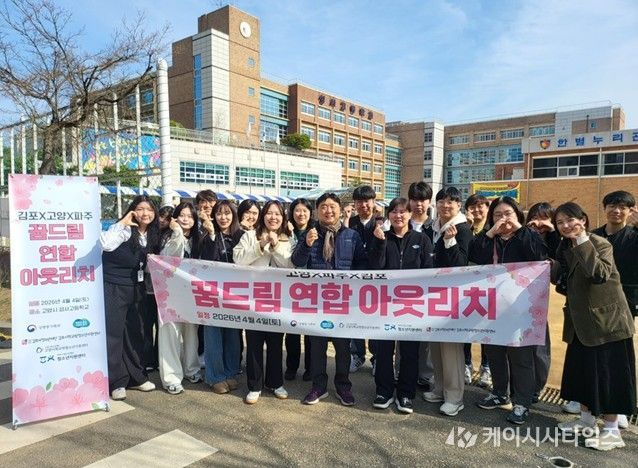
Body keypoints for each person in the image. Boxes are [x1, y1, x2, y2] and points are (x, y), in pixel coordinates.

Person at [552, 202, 635, 451]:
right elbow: (563, 280)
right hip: (581, 324)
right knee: (583, 374)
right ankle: (586, 421)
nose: (566, 226)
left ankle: (611, 431)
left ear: (583, 220)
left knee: (609, 377)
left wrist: (581, 240)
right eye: (560, 222)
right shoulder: (565, 247)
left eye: (570, 220)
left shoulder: (600, 244)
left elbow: (598, 274)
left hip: (606, 324)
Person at [469, 196, 548, 425]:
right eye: (497, 215)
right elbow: (473, 255)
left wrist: (520, 230)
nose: (503, 219)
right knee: (494, 352)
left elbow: (540, 256)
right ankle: (499, 393)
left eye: (507, 214)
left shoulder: (528, 235)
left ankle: (522, 402)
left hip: (522, 308)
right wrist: (490, 233)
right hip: (493, 307)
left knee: (521, 356)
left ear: (517, 215)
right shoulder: (488, 238)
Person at [292, 192, 366, 406]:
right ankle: (318, 386)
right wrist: (306, 244)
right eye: (323, 206)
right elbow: (297, 261)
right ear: (317, 211)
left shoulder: (351, 235)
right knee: (317, 346)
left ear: (340, 210)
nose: (328, 210)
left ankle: (343, 386)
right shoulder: (310, 233)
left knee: (343, 347)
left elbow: (362, 264)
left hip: (343, 301)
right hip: (316, 301)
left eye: (332, 206)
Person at [369, 197, 434, 414]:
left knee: (410, 352)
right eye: (394, 211)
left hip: (412, 306)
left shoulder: (422, 239)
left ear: (410, 214)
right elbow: (375, 269)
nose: (399, 215)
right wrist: (379, 243)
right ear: (388, 215)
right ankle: (383, 391)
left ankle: (406, 394)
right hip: (384, 305)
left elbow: (429, 269)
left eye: (403, 211)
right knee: (384, 350)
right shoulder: (381, 237)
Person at [233, 200, 295, 404]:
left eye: (277, 214)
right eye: (269, 213)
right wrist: (260, 245)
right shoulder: (250, 236)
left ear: (283, 218)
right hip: (254, 298)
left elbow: (291, 266)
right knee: (254, 342)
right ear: (263, 215)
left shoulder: (287, 239)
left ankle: (275, 382)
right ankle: (254, 385)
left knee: (276, 342)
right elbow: (238, 259)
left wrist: (276, 245)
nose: (273, 217)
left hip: (277, 300)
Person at [100, 195, 160, 401]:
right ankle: (116, 382)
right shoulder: (123, 230)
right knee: (114, 334)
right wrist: (122, 223)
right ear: (132, 210)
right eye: (141, 209)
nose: (145, 213)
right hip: (114, 286)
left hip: (137, 288)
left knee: (136, 332)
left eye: (149, 209)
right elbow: (106, 245)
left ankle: (137, 377)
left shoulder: (152, 234)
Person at [422, 187, 471, 417]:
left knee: (451, 349)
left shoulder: (463, 229)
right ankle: (440, 388)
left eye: (450, 202)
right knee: (436, 347)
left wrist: (450, 242)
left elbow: (461, 264)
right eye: (441, 201)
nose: (445, 205)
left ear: (459, 205)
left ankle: (454, 397)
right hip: (433, 295)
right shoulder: (432, 227)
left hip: (453, 297)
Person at [591, 190, 638, 430]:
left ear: (630, 211)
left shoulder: (634, 236)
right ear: (604, 208)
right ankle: (590, 402)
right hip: (594, 303)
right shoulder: (593, 236)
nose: (616, 211)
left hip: (624, 304)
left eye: (622, 207)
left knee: (619, 358)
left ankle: (619, 408)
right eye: (612, 205)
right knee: (593, 354)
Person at [157, 202, 205, 395]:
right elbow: (171, 257)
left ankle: (191, 369)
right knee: (170, 334)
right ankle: (171, 377)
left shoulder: (197, 239)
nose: (186, 219)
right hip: (169, 293)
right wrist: (176, 232)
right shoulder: (166, 237)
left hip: (191, 294)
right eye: (182, 215)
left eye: (190, 216)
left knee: (191, 333)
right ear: (175, 217)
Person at [200, 200, 245, 394]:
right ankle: (214, 376)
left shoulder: (241, 235)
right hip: (211, 294)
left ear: (234, 215)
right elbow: (205, 261)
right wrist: (211, 234)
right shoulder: (206, 235)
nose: (223, 217)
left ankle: (230, 372)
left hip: (234, 294)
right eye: (219, 213)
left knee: (232, 336)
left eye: (227, 213)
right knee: (213, 336)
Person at [525, 202, 559, 405]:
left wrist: (552, 231)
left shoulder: (555, 239)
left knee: (538, 344)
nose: (539, 222)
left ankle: (537, 386)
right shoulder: (523, 235)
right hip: (515, 297)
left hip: (538, 301)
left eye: (544, 217)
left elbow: (557, 258)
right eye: (535, 217)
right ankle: (518, 385)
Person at [407, 181, 436, 391]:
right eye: (415, 199)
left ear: (429, 201)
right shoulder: (401, 222)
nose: (419, 204)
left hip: (427, 290)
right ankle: (402, 371)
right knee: (402, 333)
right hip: (402, 291)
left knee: (425, 335)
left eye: (423, 199)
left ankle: (425, 375)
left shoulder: (435, 226)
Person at [284, 198, 316, 381]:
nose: (301, 214)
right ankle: (292, 366)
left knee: (310, 331)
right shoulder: (286, 230)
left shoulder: (316, 231)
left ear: (310, 213)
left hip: (312, 287)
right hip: (291, 287)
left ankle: (310, 368)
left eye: (305, 210)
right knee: (292, 330)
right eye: (297, 210)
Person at [463, 193, 492, 388]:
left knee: (486, 328)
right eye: (472, 207)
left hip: (489, 285)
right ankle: (466, 364)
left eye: (480, 206)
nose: (476, 210)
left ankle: (486, 367)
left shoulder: (493, 228)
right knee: (465, 327)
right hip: (466, 287)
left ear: (487, 208)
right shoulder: (464, 229)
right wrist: (467, 228)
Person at [141, 204, 174, 372]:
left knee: (162, 327)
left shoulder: (171, 236)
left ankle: (159, 358)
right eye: (161, 216)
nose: (162, 220)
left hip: (163, 289)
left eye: (167, 218)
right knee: (147, 325)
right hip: (147, 287)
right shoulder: (150, 232)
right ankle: (148, 359)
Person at [348, 186, 376, 374]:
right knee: (355, 318)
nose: (363, 205)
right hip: (354, 279)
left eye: (367, 201)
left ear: (373, 202)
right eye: (359, 201)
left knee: (375, 319)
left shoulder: (382, 223)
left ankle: (376, 357)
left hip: (376, 280)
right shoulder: (350, 223)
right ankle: (357, 355)